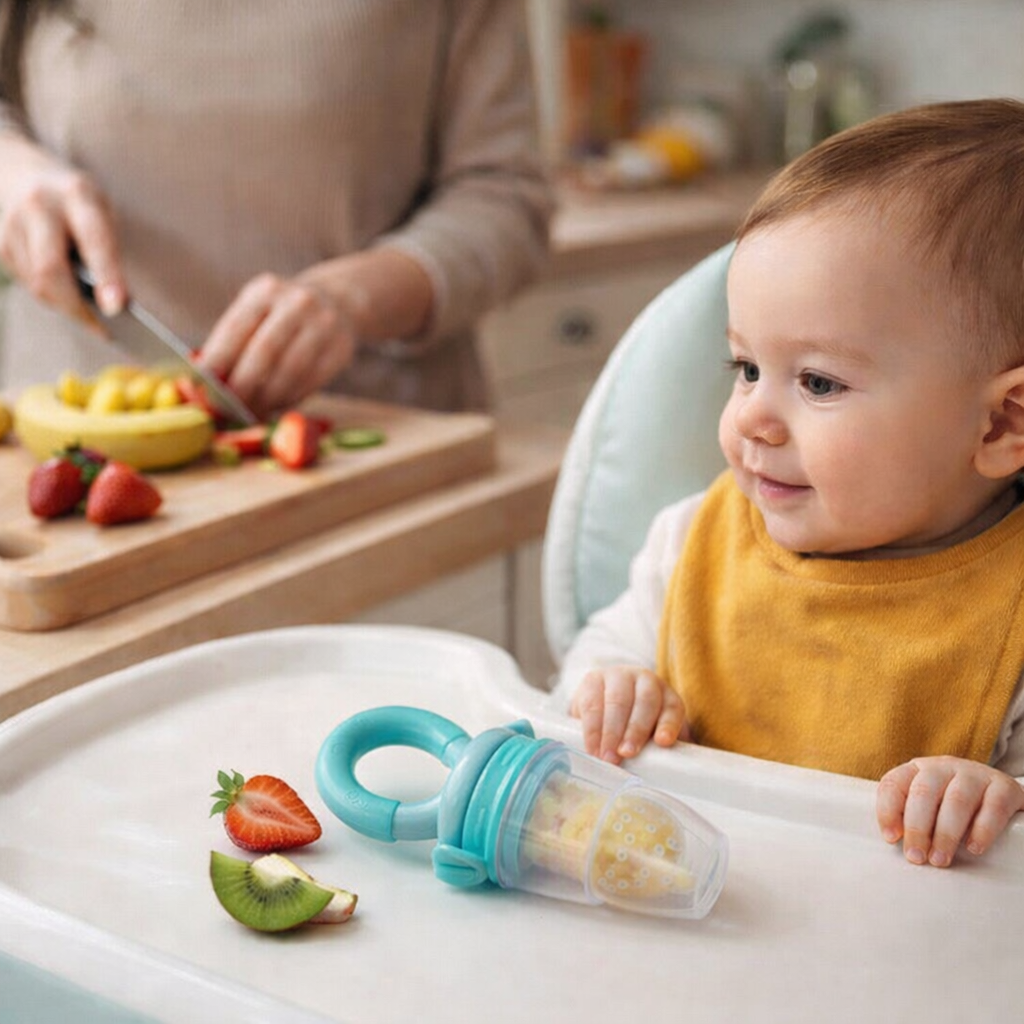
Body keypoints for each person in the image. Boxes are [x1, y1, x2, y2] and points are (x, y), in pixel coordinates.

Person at [554, 98, 1024, 869]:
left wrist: (995, 797)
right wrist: (613, 687)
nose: (751, 418)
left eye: (818, 382)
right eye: (746, 368)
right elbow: (585, 669)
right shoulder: (693, 541)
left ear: (1003, 423)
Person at [0, 0, 554, 416]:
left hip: (376, 440)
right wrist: (13, 173)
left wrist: (351, 299)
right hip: (56, 426)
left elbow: (506, 196)